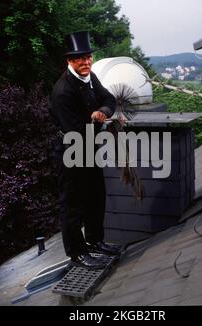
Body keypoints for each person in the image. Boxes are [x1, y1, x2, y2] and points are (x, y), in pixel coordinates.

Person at [49, 31, 119, 269]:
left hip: (89, 146)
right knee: (73, 204)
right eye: (79, 59)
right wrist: (98, 120)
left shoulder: (90, 77)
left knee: (96, 196)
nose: (86, 62)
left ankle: (95, 241)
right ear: (69, 61)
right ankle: (77, 253)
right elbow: (75, 131)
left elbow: (109, 99)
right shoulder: (62, 92)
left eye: (88, 57)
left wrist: (104, 112)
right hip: (71, 150)